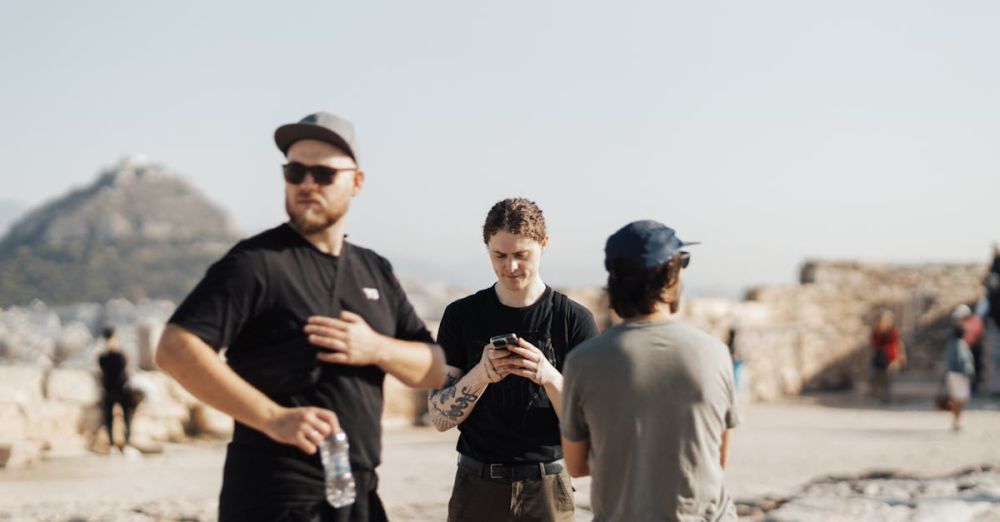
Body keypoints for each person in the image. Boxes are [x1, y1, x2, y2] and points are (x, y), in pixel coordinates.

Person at [155, 112, 447, 522]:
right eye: (295, 172)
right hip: (277, 495)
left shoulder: (374, 269)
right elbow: (174, 349)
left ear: (356, 182)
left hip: (359, 494)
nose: (307, 184)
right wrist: (273, 418)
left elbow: (434, 369)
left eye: (323, 174)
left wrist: (375, 348)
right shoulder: (257, 263)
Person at [427, 198, 599, 522]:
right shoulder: (461, 315)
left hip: (547, 486)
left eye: (522, 255)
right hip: (476, 484)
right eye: (500, 256)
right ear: (487, 248)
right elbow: (438, 418)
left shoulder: (573, 320)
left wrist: (547, 375)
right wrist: (481, 374)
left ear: (544, 244)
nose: (511, 267)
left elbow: (590, 423)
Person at [561, 220, 739, 522]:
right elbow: (718, 458)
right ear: (670, 278)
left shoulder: (582, 361)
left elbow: (576, 466)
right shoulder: (716, 354)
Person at [97, 326, 133, 451]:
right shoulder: (103, 357)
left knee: (127, 418)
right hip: (108, 390)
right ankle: (112, 444)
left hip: (122, 390)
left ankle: (127, 442)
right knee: (108, 419)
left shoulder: (121, 355)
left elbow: (126, 370)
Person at [944, 323, 975, 431]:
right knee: (960, 398)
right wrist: (968, 372)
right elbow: (962, 360)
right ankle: (956, 420)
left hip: (952, 373)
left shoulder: (951, 343)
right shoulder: (960, 344)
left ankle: (956, 421)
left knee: (956, 398)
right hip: (960, 374)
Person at [870, 310, 906, 403]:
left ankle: (886, 396)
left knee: (887, 377)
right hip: (880, 357)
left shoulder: (893, 331)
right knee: (879, 377)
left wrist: (900, 356)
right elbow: (874, 343)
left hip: (891, 357)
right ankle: (880, 395)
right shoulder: (877, 330)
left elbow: (898, 343)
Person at [952, 304, 985, 394]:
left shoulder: (975, 320)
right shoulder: (961, 323)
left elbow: (977, 334)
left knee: (974, 368)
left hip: (974, 347)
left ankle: (974, 388)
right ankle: (966, 388)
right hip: (965, 347)